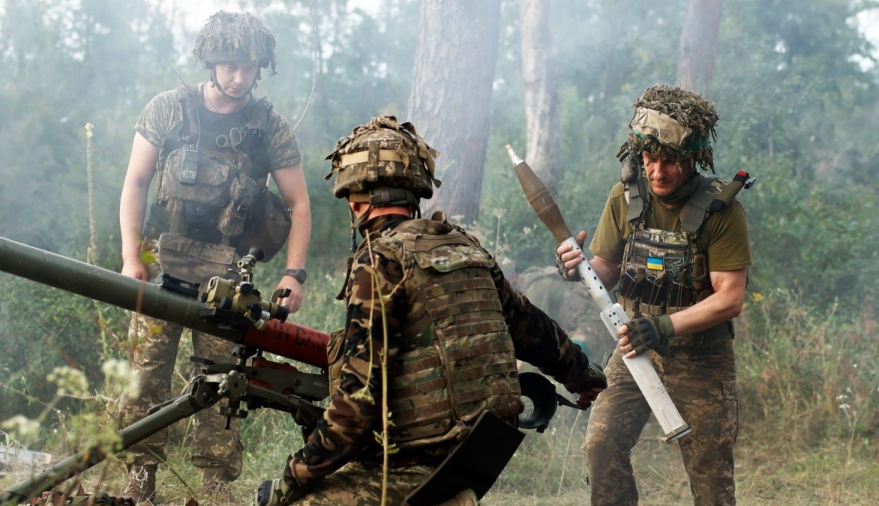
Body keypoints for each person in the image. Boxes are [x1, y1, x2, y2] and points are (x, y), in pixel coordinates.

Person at [256, 115, 606, 506]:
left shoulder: (378, 261)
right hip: (484, 450)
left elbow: (357, 406)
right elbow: (530, 327)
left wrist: (291, 478)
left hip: (422, 463)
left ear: (354, 201)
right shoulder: (466, 247)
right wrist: (582, 374)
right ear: (415, 192)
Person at [117, 11, 312, 503]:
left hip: (229, 275)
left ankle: (216, 483)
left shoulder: (269, 127)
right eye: (229, 66)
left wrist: (293, 275)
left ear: (261, 67)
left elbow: (299, 205)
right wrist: (131, 256)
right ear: (210, 62)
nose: (238, 77)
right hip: (163, 263)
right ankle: (140, 478)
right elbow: (135, 182)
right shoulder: (168, 109)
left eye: (248, 67)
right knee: (144, 376)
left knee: (225, 382)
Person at [558, 85, 751, 506]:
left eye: (670, 161)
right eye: (649, 159)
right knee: (601, 446)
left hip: (701, 360)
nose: (657, 172)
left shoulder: (720, 209)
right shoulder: (625, 198)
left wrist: (661, 326)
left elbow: (730, 298)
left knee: (710, 476)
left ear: (693, 158)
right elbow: (606, 270)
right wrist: (577, 269)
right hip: (634, 352)